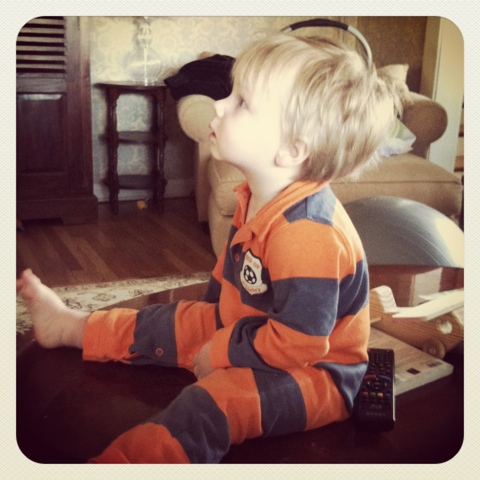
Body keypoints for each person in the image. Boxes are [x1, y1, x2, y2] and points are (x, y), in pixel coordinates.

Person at [17, 33, 397, 463]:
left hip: (313, 373)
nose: (219, 105)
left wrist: (219, 352)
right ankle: (68, 326)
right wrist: (203, 323)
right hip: (253, 330)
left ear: (292, 149)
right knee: (162, 320)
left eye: (242, 103)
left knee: (211, 406)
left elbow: (299, 345)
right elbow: (228, 275)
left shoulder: (308, 234)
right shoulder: (255, 194)